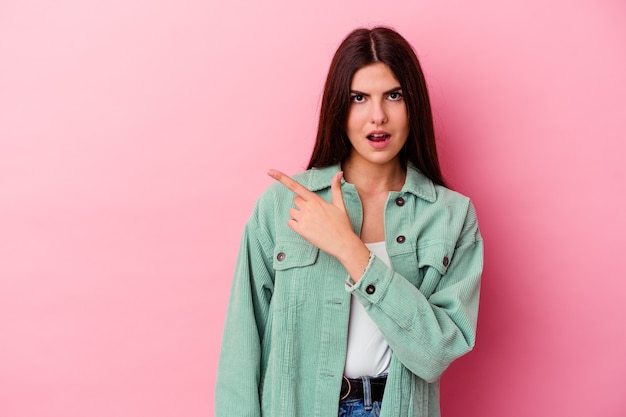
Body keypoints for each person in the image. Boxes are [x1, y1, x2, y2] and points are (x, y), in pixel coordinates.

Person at [215, 26, 483, 417]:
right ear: (339, 107)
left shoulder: (451, 216)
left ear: (414, 106)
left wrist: (349, 249)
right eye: (359, 98)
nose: (378, 116)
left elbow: (436, 353)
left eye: (394, 95)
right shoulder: (284, 205)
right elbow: (241, 349)